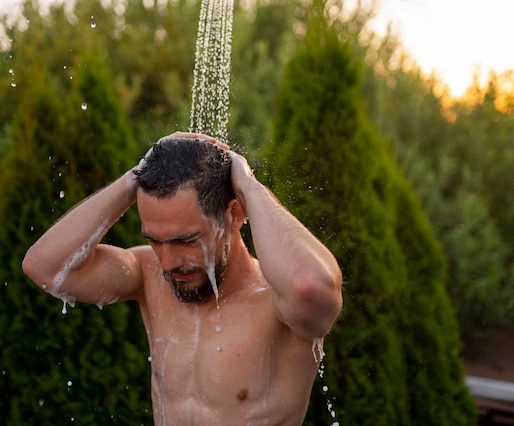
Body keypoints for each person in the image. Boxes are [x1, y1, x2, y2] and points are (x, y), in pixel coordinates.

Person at [22, 131, 343, 425]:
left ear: (234, 215)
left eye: (186, 240)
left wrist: (247, 184)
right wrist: (136, 177)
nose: (168, 262)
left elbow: (310, 289)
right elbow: (46, 268)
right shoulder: (148, 274)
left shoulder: (276, 302)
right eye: (155, 240)